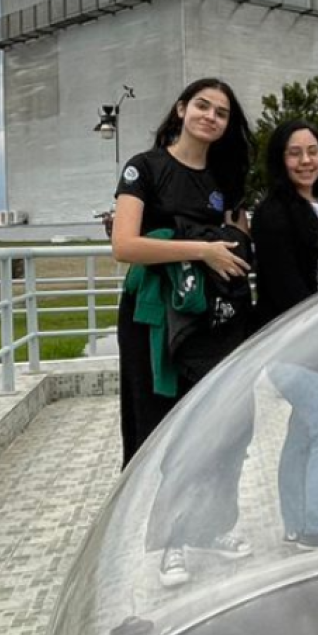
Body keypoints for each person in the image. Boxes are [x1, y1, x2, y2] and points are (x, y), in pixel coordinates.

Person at [110, 78, 257, 587]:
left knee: (224, 425)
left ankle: (210, 528)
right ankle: (170, 540)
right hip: (152, 317)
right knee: (164, 425)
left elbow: (237, 236)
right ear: (180, 109)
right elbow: (125, 245)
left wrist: (229, 243)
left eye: (221, 112)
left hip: (210, 318)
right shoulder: (145, 167)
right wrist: (200, 249)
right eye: (202, 106)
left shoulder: (223, 179)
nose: (210, 117)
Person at [252, 119, 318, 551]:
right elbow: (291, 294)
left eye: (313, 150)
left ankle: (297, 526)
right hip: (301, 347)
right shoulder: (274, 213)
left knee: (306, 435)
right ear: (280, 160)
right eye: (295, 153)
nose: (306, 160)